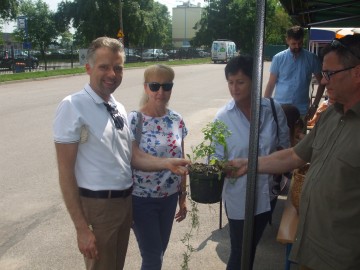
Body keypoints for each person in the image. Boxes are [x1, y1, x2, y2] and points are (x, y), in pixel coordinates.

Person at [53, 37, 189, 270]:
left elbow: (133, 157)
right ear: (88, 68)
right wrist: (81, 228)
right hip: (99, 206)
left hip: (125, 204)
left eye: (118, 67)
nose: (112, 74)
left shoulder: (116, 106)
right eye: (104, 67)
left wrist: (167, 163)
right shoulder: (73, 106)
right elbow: (66, 173)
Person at [228, 35, 360, 270]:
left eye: (330, 74)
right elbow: (294, 156)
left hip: (343, 258)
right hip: (310, 249)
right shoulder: (331, 115)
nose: (323, 82)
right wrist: (249, 164)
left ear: (356, 72)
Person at [213, 55, 290, 270]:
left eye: (240, 82)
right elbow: (215, 161)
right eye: (230, 82)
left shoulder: (273, 110)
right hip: (239, 197)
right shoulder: (222, 118)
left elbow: (284, 148)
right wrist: (227, 167)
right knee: (240, 250)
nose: (234, 88)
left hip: (268, 194)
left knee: (251, 247)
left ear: (254, 81)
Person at [127, 64, 188, 270]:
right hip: (142, 200)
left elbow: (181, 157)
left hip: (169, 198)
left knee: (159, 251)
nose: (160, 92)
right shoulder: (135, 120)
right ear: (146, 88)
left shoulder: (176, 119)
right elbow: (130, 160)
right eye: (154, 86)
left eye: (166, 86)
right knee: (153, 257)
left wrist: (182, 196)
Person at [264, 25, 326, 121]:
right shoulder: (278, 58)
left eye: (300, 43)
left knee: (300, 136)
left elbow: (322, 83)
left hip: (301, 111)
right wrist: (265, 106)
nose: (297, 47)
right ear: (287, 40)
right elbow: (271, 84)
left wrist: (314, 106)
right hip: (280, 110)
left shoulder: (311, 58)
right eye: (293, 43)